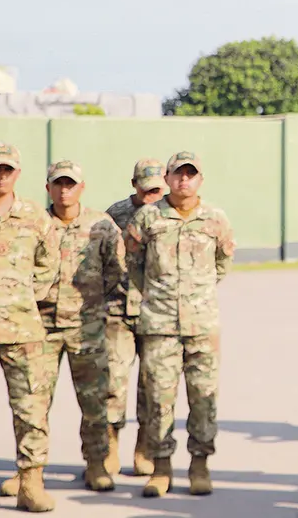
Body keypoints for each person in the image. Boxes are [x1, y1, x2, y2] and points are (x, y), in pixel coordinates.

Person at [0, 160, 125, 497]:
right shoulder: (32, 223)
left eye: (71, 184)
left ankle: (96, 464)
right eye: (58, 184)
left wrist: (94, 301)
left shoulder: (101, 224)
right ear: (48, 188)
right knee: (32, 404)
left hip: (88, 328)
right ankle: (29, 472)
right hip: (40, 328)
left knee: (95, 401)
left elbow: (116, 270)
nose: (64, 190)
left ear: (82, 187)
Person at [125, 151, 235, 498]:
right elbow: (133, 263)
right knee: (158, 398)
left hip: (202, 324)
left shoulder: (215, 219)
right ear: (168, 178)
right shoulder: (147, 218)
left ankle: (199, 464)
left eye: (191, 174)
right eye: (177, 174)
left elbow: (222, 263)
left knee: (203, 398)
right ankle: (161, 467)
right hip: (159, 324)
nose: (184, 180)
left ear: (200, 179)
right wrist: (159, 296)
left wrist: (195, 297)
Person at [0, 143, 59, 512]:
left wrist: (19, 298)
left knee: (31, 408)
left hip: (23, 330)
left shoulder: (35, 216)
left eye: (8, 169)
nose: (2, 175)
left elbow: (48, 266)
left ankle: (31, 483)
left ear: (18, 174)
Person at [104, 158, 166, 476]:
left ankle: (144, 449)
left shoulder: (168, 215)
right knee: (114, 381)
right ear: (135, 186)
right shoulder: (114, 215)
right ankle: (110, 446)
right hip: (117, 310)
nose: (153, 196)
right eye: (147, 190)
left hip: (156, 312)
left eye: (158, 190)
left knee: (151, 386)